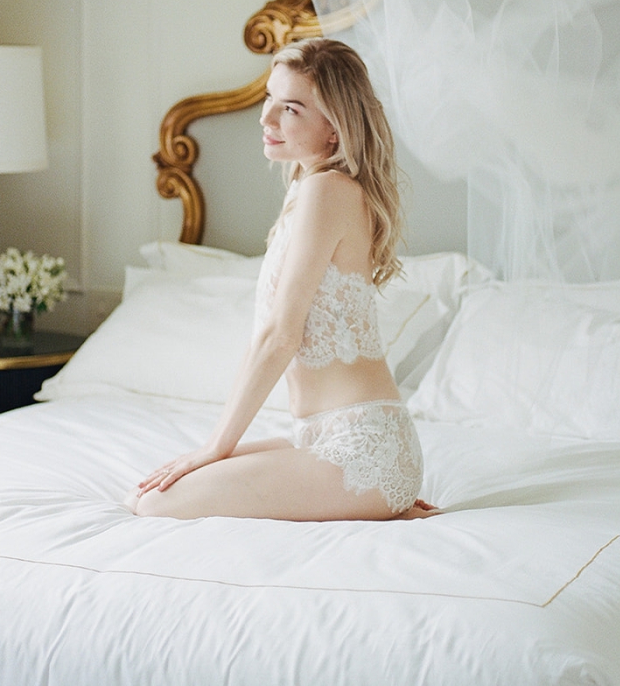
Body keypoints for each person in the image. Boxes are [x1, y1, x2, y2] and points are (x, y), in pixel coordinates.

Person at [134, 37, 435, 521]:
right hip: (327, 440)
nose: (267, 118)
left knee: (156, 504)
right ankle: (379, 500)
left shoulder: (327, 190)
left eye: (290, 108)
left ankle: (379, 499)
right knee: (149, 494)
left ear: (335, 129)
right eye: (269, 98)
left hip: (361, 449)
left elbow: (279, 336)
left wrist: (215, 447)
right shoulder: (309, 186)